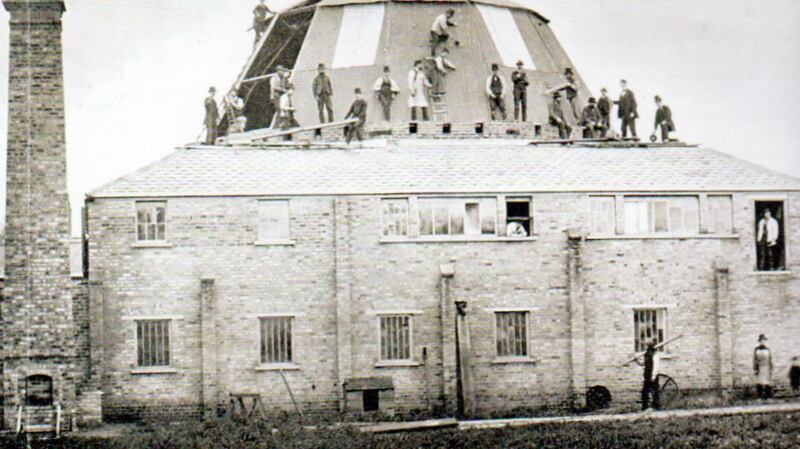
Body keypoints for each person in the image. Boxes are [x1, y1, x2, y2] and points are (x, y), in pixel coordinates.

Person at [636, 340, 661, 410]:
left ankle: (656, 406)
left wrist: (653, 376)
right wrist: (637, 361)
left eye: (647, 346)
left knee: (655, 391)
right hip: (647, 375)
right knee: (645, 391)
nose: (646, 347)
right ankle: (645, 406)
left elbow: (656, 366)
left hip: (652, 375)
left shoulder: (655, 355)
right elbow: (644, 363)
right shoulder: (646, 354)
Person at [753, 334, 773, 399]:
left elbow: (770, 359)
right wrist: (755, 369)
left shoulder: (767, 349)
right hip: (760, 367)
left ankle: (768, 396)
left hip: (766, 367)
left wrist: (771, 368)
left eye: (764, 340)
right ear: (759, 341)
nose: (762, 342)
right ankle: (759, 396)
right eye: (761, 340)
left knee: (767, 382)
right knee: (759, 382)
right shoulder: (756, 349)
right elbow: (755, 359)